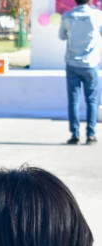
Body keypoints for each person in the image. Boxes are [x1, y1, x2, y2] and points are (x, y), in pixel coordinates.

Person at [59, 0, 102, 145]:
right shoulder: (98, 15)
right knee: (92, 100)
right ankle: (91, 135)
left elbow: (62, 36)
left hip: (72, 62)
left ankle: (75, 135)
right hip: (91, 63)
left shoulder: (67, 16)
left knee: (73, 100)